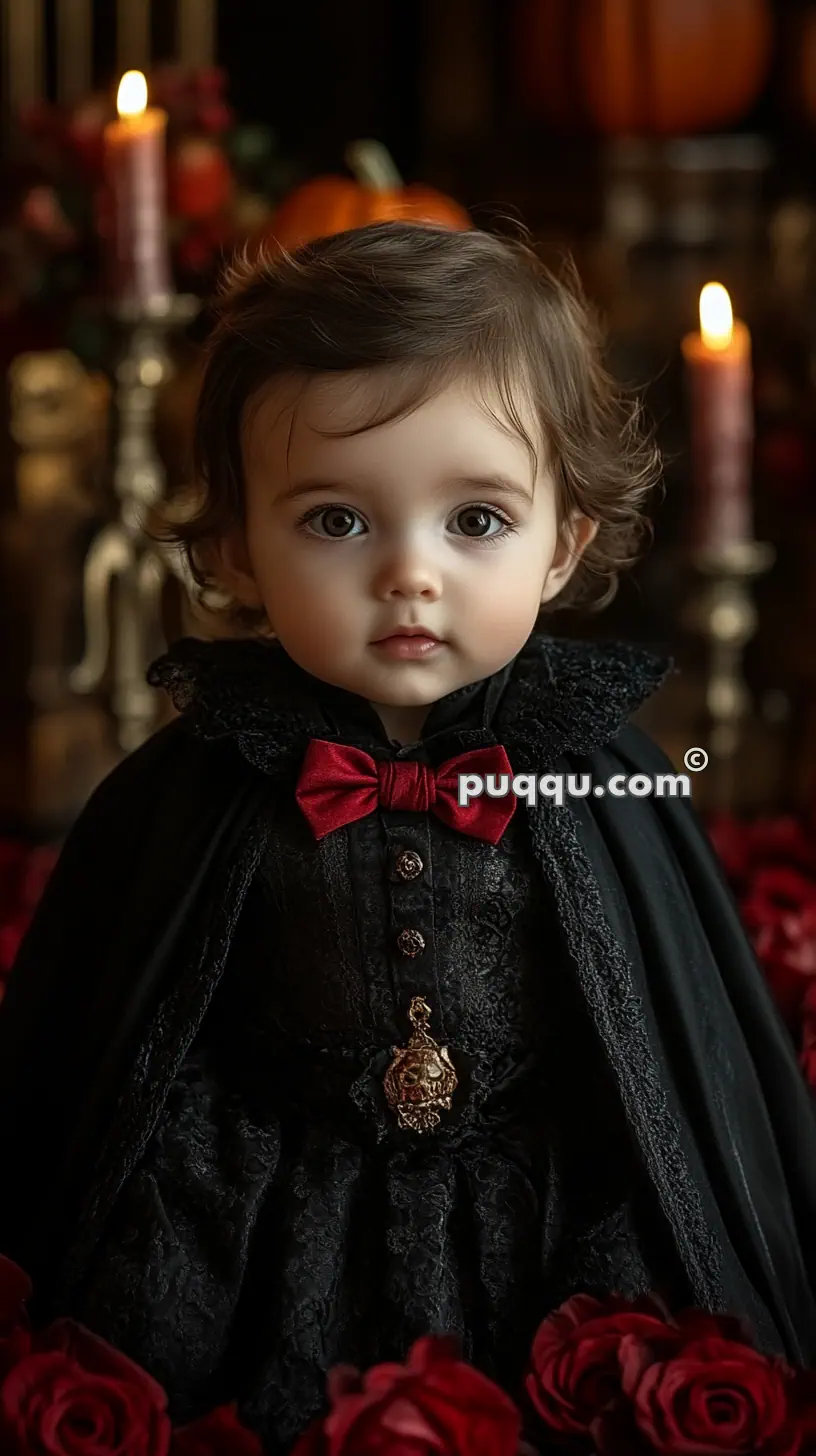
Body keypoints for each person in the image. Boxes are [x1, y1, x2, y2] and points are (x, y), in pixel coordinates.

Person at [0, 220, 815, 1454]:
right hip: (265, 1222)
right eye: (336, 521)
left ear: (565, 544)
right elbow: (123, 1029)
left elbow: (671, 1034)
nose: (409, 574)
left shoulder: (598, 774)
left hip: (538, 1216)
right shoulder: (192, 786)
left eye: (476, 520)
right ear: (234, 550)